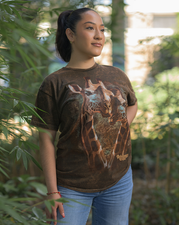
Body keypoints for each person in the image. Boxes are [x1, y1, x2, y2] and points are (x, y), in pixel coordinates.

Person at [31, 7, 138, 225]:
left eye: (102, 29)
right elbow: (45, 139)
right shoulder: (55, 83)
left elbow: (132, 105)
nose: (99, 35)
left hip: (118, 181)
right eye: (90, 28)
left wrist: (119, 127)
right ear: (70, 35)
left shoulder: (116, 75)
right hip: (71, 186)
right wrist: (52, 192)